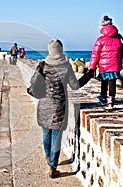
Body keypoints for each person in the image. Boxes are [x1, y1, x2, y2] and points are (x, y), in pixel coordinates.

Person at [35, 39, 79, 178]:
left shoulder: (43, 65)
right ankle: (53, 167)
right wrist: (89, 75)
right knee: (56, 137)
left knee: (46, 133)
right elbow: (75, 86)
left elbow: (34, 83)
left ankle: (48, 157)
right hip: (59, 106)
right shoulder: (66, 66)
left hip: (44, 104)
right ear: (60, 49)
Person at [89, 15, 123, 109]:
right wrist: (120, 64)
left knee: (104, 82)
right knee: (112, 83)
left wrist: (92, 67)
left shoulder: (100, 39)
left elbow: (95, 54)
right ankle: (111, 101)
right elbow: (120, 53)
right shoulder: (118, 38)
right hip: (115, 65)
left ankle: (103, 97)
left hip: (104, 66)